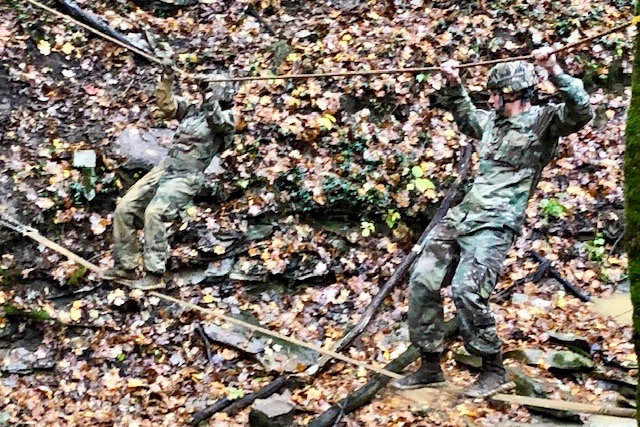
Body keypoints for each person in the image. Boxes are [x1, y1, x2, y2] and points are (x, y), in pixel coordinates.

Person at [391, 47, 594, 397]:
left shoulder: (545, 122)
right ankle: (430, 365)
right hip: (463, 217)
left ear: (513, 96)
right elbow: (465, 114)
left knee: (468, 292)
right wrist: (454, 83)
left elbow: (582, 112)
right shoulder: (491, 122)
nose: (489, 99)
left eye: (495, 94)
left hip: (495, 225)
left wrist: (554, 69)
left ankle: (492, 368)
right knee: (422, 281)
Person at [104, 61, 237, 287]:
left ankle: (155, 274)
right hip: (165, 169)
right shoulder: (193, 111)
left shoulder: (228, 119)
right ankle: (125, 266)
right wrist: (167, 78)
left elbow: (216, 122)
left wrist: (208, 96)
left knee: (155, 212)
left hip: (187, 176)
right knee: (125, 208)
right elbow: (166, 105)